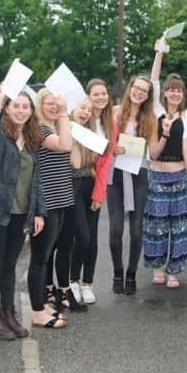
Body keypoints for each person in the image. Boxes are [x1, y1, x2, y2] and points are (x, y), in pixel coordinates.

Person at [0, 85, 47, 339]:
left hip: (20, 214)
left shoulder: (32, 139)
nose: (20, 110)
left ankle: (9, 314)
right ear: (7, 108)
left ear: (31, 111)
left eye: (25, 106)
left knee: (9, 266)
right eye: (15, 105)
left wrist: (39, 212)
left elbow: (37, 179)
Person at [143, 38, 187, 288]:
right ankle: (157, 268)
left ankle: (174, 271)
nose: (175, 93)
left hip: (179, 177)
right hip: (156, 176)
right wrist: (159, 53)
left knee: (181, 227)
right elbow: (152, 81)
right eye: (171, 89)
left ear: (183, 94)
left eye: (179, 90)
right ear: (165, 93)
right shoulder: (155, 111)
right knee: (155, 226)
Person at [27, 87, 80, 329]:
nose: (53, 106)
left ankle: (42, 304)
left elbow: (75, 160)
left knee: (46, 256)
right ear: (39, 105)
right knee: (40, 258)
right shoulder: (40, 129)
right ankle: (37, 310)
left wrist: (68, 124)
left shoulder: (56, 127)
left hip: (62, 201)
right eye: (48, 103)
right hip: (47, 203)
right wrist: (64, 114)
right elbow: (64, 146)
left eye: (55, 103)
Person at [65, 79, 118, 304]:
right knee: (82, 235)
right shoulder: (80, 119)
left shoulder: (110, 125)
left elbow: (105, 163)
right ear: (86, 97)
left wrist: (99, 193)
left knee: (92, 237)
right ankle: (73, 280)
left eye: (103, 94)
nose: (100, 98)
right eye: (95, 94)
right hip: (74, 184)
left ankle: (88, 283)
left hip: (93, 184)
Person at [109, 74, 158, 294]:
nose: (139, 92)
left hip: (139, 173)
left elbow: (154, 152)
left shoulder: (151, 118)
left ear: (148, 95)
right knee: (116, 228)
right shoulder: (115, 112)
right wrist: (112, 149)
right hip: (116, 174)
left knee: (136, 229)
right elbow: (104, 141)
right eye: (136, 87)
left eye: (144, 90)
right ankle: (117, 271)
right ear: (130, 88)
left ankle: (131, 273)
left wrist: (164, 135)